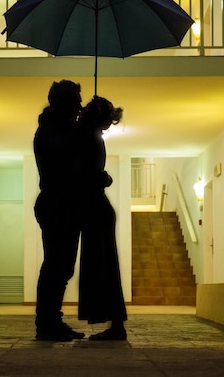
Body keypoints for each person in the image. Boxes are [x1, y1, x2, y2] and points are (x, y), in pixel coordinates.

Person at [33, 80, 85, 341]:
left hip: (63, 204)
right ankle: (46, 324)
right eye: (75, 100)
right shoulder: (51, 130)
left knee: (61, 268)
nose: (79, 105)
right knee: (56, 266)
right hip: (57, 204)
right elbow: (65, 161)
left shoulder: (59, 127)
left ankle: (51, 320)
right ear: (61, 103)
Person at [77, 96, 128, 341]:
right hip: (97, 208)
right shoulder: (92, 137)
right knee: (104, 265)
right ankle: (115, 324)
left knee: (102, 265)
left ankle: (117, 325)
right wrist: (105, 178)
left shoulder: (89, 137)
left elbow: (89, 175)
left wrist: (104, 178)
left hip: (95, 209)